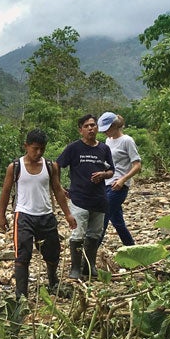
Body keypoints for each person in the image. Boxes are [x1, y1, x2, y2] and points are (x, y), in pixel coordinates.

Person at [0, 128, 77, 299]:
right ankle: (21, 295)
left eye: (42, 148)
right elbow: (5, 191)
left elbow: (57, 190)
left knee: (52, 252)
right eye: (35, 148)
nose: (38, 152)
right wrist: (1, 216)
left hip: (46, 214)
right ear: (26, 146)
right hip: (23, 215)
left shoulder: (50, 166)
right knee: (22, 255)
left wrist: (68, 214)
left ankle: (53, 281)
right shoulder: (15, 167)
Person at [56, 114, 114, 279]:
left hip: (99, 199)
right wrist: (59, 186)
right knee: (78, 234)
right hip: (79, 199)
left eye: (93, 125)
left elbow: (111, 171)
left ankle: (90, 266)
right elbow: (57, 165)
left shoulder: (104, 149)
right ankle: (75, 268)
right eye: (87, 126)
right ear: (80, 130)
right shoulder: (74, 148)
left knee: (95, 235)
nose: (91, 128)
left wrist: (103, 174)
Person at [99, 112, 141, 246]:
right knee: (117, 222)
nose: (105, 132)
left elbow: (137, 165)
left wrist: (123, 179)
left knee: (102, 216)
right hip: (106, 184)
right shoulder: (108, 141)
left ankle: (89, 255)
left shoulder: (127, 140)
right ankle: (133, 250)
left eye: (107, 129)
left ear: (115, 126)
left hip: (119, 187)